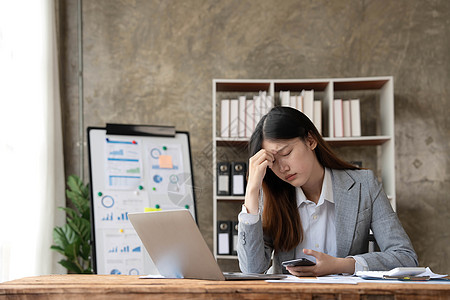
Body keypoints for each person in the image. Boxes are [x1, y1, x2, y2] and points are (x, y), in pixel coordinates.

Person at [237, 106, 418, 276]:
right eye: (273, 162)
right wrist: (252, 190)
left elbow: (405, 257)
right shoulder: (271, 197)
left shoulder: (364, 185)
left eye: (286, 153)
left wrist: (342, 265)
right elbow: (251, 270)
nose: (282, 168)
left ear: (310, 140)